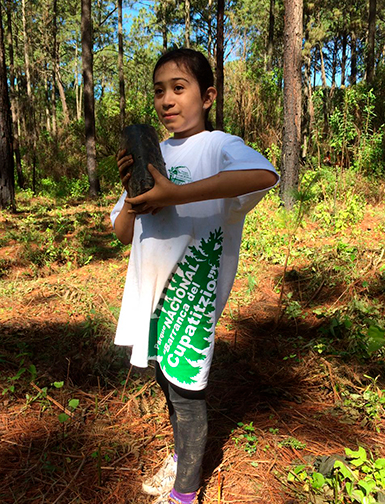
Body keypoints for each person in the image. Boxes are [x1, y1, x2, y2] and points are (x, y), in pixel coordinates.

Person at [110, 48, 278, 504]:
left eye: (179, 88)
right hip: (151, 296)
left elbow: (264, 174)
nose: (167, 100)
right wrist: (132, 194)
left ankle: (186, 492)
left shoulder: (219, 146)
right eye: (159, 91)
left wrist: (177, 192)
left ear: (207, 96)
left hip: (194, 296)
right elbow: (124, 233)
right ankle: (183, 457)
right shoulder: (153, 155)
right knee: (167, 379)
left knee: (188, 394)